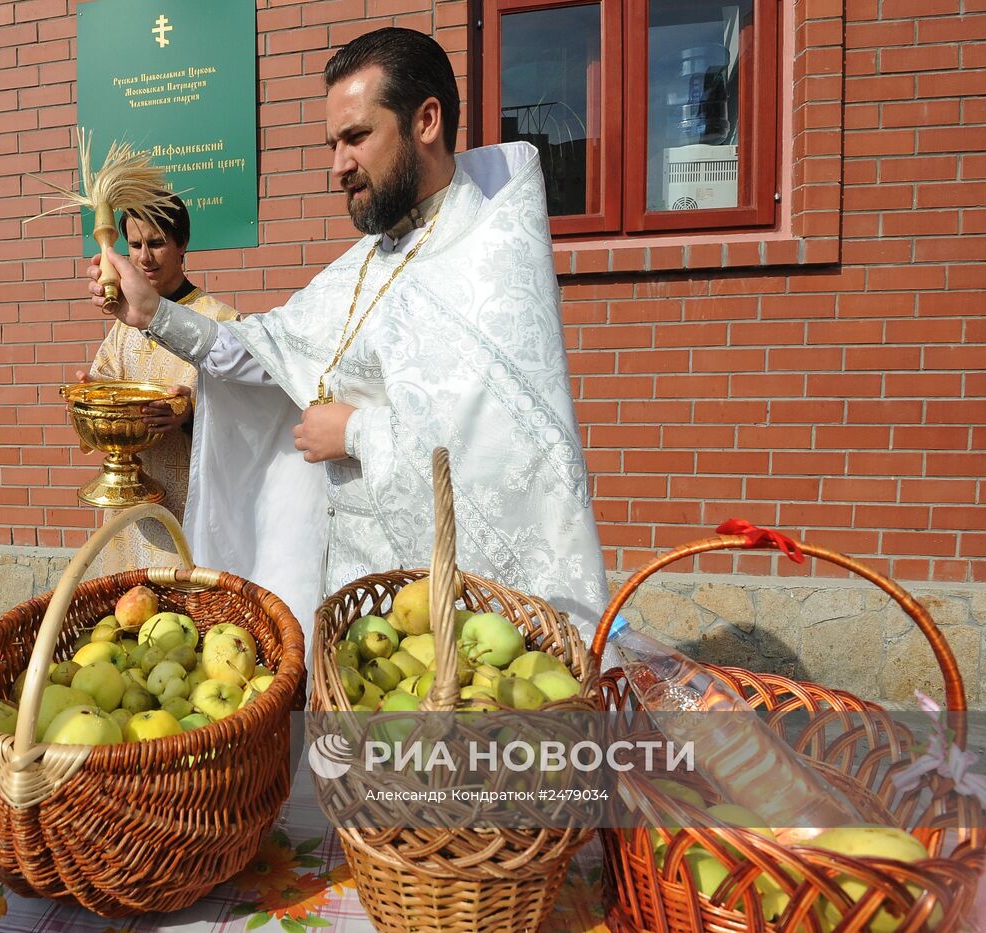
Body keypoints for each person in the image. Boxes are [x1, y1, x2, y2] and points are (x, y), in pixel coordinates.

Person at [87, 28, 609, 644]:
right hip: (343, 588)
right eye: (333, 143)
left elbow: (511, 449)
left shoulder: (487, 258)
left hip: (437, 609)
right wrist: (152, 312)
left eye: (356, 137)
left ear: (426, 121)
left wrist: (356, 431)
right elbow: (262, 353)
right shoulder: (367, 261)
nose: (338, 166)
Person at [77, 195, 235, 578]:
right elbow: (108, 380)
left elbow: (244, 417)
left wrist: (189, 415)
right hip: (128, 509)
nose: (145, 257)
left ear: (182, 245)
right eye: (135, 245)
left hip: (188, 507)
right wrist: (93, 394)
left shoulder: (220, 321)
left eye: (157, 242)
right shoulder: (124, 324)